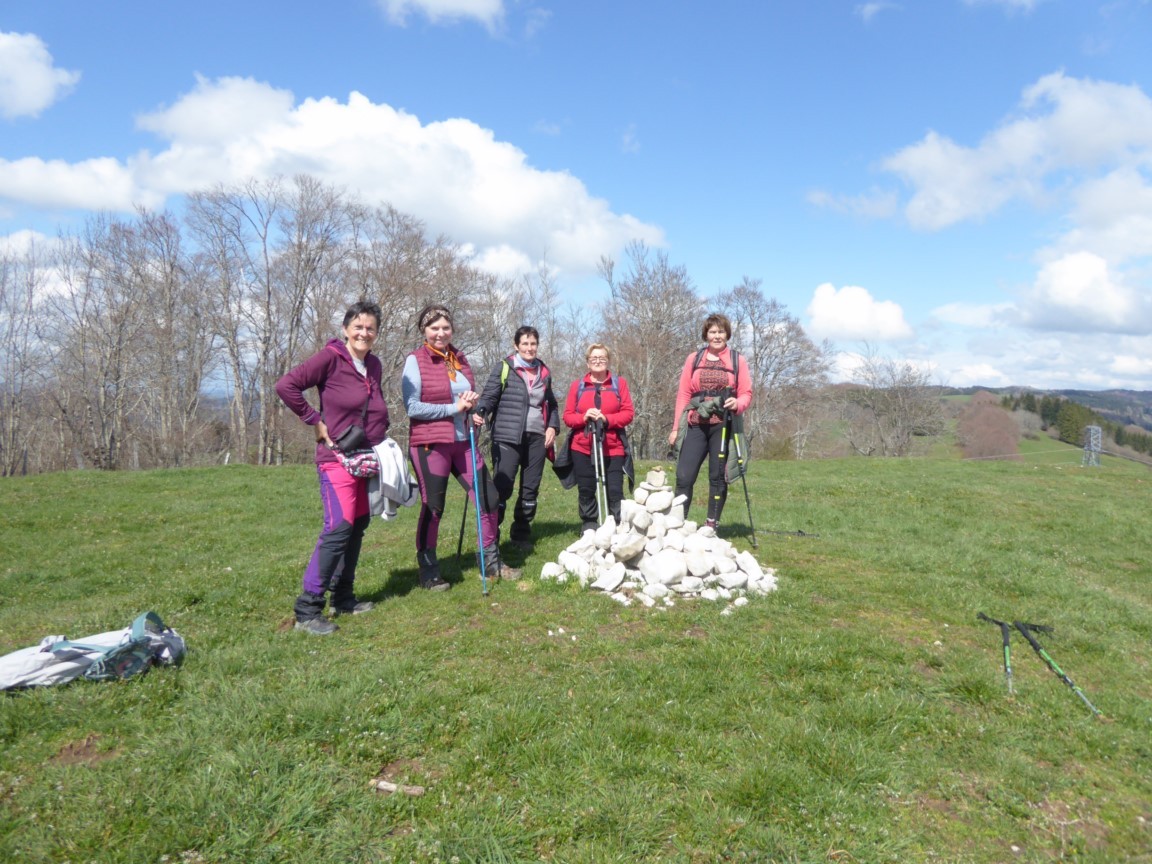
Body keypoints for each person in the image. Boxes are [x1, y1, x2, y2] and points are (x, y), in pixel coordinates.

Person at [276, 300, 390, 635]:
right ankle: (308, 610)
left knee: (357, 526)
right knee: (338, 527)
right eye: (358, 326)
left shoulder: (374, 364)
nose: (363, 333)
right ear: (345, 329)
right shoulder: (330, 358)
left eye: (370, 328)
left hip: (364, 458)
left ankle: (344, 597)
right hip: (335, 459)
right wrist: (314, 419)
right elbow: (287, 385)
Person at [402, 304, 520, 589]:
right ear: (424, 331)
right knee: (434, 507)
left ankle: (490, 563)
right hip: (431, 444)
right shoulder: (414, 361)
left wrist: (472, 408)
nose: (441, 333)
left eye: (445, 328)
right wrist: (454, 407)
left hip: (463, 441)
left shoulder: (458, 358)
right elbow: (412, 407)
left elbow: (465, 398)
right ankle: (429, 570)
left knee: (488, 498)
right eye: (434, 328)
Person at [474, 326, 559, 551]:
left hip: (537, 438)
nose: (530, 348)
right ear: (516, 346)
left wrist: (553, 426)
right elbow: (490, 395)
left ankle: (521, 535)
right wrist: (480, 411)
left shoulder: (544, 371)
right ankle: (491, 537)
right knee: (503, 487)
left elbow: (551, 404)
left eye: (533, 344)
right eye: (525, 344)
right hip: (507, 436)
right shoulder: (505, 367)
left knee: (530, 489)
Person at [667, 313, 753, 528]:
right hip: (696, 422)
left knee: (717, 476)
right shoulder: (694, 358)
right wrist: (676, 428)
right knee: (684, 476)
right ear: (706, 334)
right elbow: (684, 395)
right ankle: (678, 524)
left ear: (727, 334)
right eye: (712, 332)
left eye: (721, 331)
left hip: (723, 424)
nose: (717, 336)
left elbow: (746, 393)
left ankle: (711, 525)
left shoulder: (737, 360)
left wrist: (738, 404)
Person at [562, 343, 635, 533]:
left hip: (613, 446)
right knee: (586, 488)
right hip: (582, 447)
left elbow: (628, 413)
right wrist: (583, 417)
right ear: (587, 362)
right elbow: (568, 416)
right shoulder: (577, 386)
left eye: (602, 358)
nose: (598, 361)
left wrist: (607, 419)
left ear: (608, 361)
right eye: (593, 358)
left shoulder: (619, 384)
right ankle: (589, 524)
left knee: (615, 490)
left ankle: (617, 525)